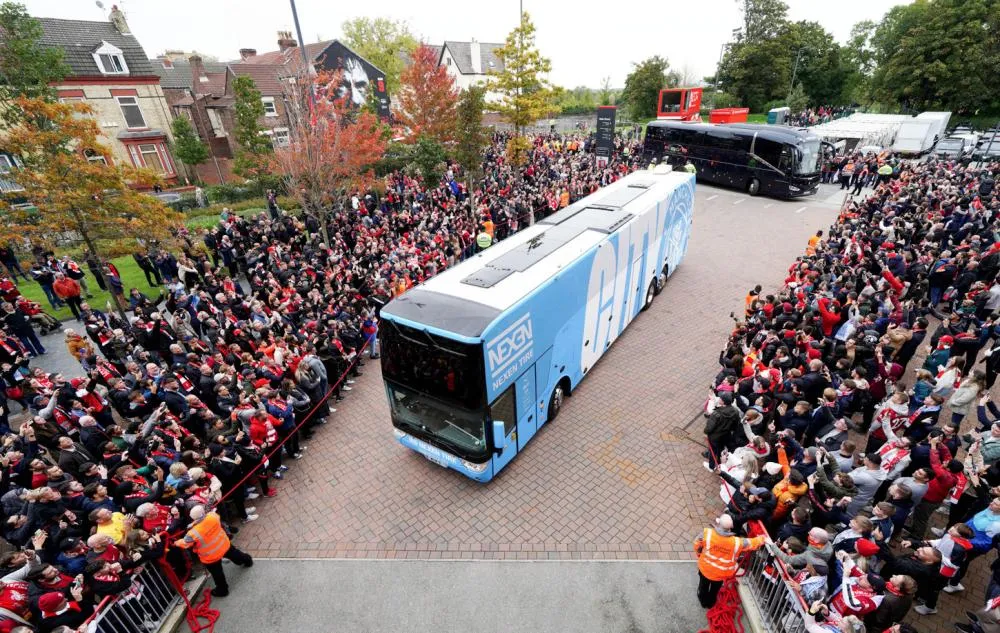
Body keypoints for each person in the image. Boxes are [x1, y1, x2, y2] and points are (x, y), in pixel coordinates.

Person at [174, 505, 253, 597]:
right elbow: (210, 517)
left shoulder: (192, 533)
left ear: (192, 518)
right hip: (223, 544)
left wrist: (176, 542)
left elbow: (185, 544)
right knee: (236, 554)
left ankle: (222, 590)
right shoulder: (213, 516)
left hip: (210, 556)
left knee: (217, 573)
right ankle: (247, 560)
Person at [694, 513, 765, 608]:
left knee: (703, 585)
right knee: (715, 590)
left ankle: (703, 601)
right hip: (721, 574)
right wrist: (763, 538)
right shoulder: (736, 542)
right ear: (730, 528)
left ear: (718, 523)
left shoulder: (707, 533)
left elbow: (696, 544)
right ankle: (711, 603)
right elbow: (751, 543)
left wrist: (699, 555)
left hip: (705, 569)